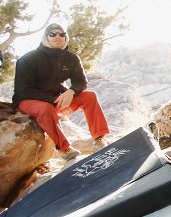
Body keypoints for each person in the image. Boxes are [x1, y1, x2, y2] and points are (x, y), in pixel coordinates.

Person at [12, 24, 110, 160]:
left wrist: (71, 92)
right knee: (46, 109)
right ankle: (64, 149)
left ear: (66, 37)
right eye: (52, 34)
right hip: (28, 101)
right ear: (45, 37)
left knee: (90, 96)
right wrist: (53, 100)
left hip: (57, 99)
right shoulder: (27, 59)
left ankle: (99, 138)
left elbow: (81, 81)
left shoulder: (71, 58)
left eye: (61, 34)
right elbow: (23, 90)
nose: (58, 37)